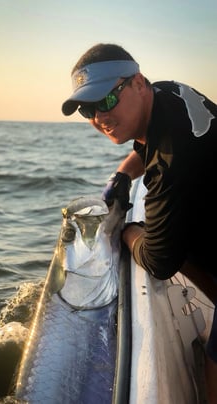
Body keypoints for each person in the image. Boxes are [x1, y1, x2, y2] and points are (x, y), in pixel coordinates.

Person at [61, 43, 217, 403]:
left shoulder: (172, 163)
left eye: (107, 100)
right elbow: (142, 147)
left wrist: (125, 229)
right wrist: (122, 175)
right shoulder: (169, 91)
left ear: (138, 83)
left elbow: (160, 261)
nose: (99, 116)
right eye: (88, 108)